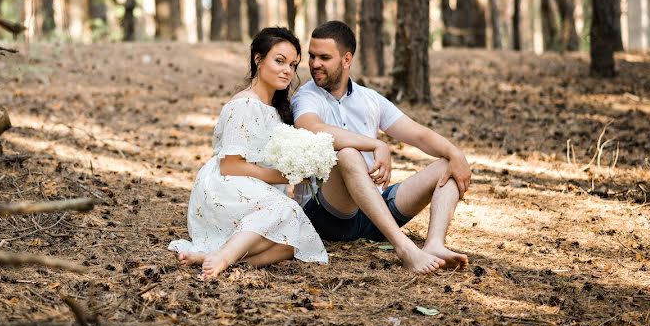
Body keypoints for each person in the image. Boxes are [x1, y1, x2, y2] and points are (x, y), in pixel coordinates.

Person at [291, 20, 472, 274]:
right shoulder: (307, 96)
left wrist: (455, 153)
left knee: (447, 164)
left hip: (374, 211)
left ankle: (434, 244)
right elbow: (311, 128)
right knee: (347, 155)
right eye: (311, 56)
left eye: (324, 57)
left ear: (346, 59)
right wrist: (376, 144)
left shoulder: (370, 99)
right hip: (329, 212)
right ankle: (404, 248)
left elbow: (418, 134)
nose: (314, 64)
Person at [169, 27, 328, 279]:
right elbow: (230, 166)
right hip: (227, 187)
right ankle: (223, 256)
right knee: (286, 211)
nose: (288, 70)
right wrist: (282, 177)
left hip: (256, 188)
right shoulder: (243, 104)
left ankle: (222, 257)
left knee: (291, 243)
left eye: (293, 65)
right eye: (279, 61)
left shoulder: (277, 110)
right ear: (258, 59)